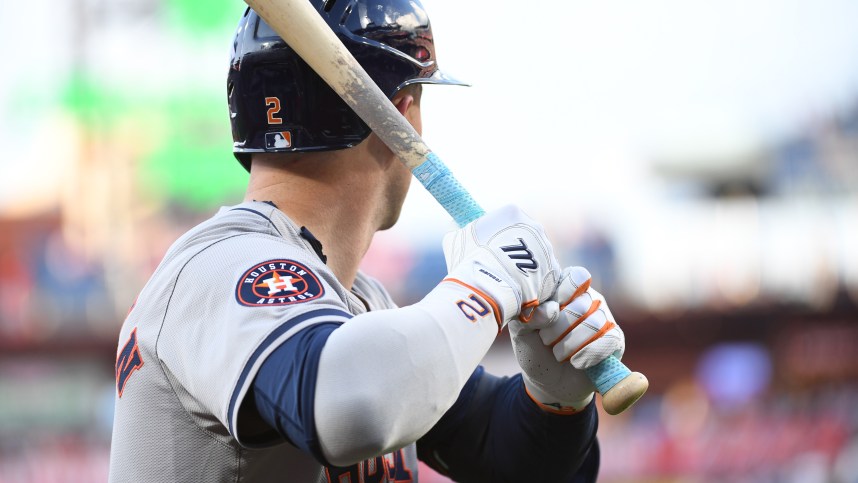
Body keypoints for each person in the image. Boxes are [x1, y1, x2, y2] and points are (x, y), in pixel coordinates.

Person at [108, 1, 626, 481]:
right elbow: (348, 404)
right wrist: (487, 288)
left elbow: (507, 456)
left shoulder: (359, 305)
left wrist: (554, 400)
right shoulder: (220, 264)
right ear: (403, 112)